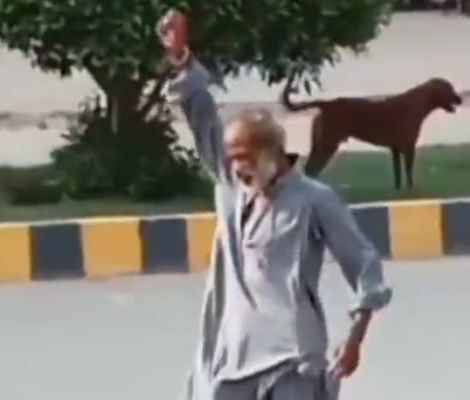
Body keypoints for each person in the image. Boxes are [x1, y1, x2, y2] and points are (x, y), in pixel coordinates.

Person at [157, 10, 393, 400]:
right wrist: (181, 56)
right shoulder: (233, 187)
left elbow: (365, 266)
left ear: (271, 153)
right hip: (233, 359)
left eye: (242, 157)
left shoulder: (314, 200)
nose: (234, 167)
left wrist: (355, 339)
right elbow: (202, 115)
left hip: (292, 361)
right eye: (230, 159)